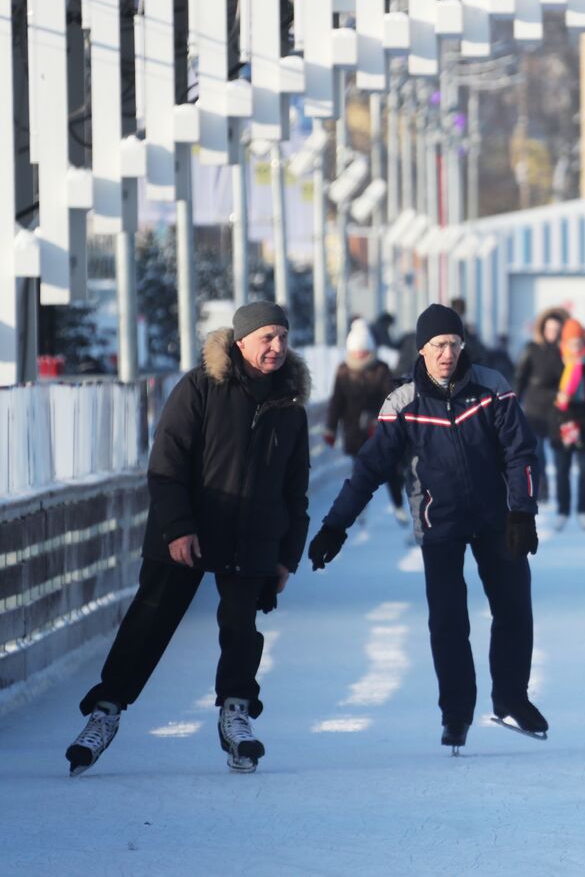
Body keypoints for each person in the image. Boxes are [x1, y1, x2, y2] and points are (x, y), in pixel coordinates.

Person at [66, 302, 310, 775]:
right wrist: (178, 528)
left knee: (241, 628)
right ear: (241, 342)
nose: (277, 346)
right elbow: (166, 465)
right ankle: (107, 710)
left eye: (283, 337)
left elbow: (294, 491)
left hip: (251, 538)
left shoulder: (290, 407)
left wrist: (288, 556)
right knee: (150, 621)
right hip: (188, 534)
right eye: (267, 337)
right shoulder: (200, 387)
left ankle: (235, 714)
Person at [307, 304, 546, 750]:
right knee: (448, 621)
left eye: (454, 344)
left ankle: (511, 696)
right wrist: (335, 527)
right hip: (440, 523)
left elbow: (521, 453)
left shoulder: (491, 388)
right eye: (438, 345)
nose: (447, 353)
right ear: (422, 349)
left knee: (514, 607)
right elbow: (368, 470)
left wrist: (522, 512)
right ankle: (456, 713)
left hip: (497, 519)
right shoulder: (403, 403)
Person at [326, 321, 406, 525]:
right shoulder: (343, 371)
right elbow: (336, 401)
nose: (360, 355)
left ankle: (398, 505)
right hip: (354, 432)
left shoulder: (381, 370)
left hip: (379, 431)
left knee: (391, 471)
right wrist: (330, 428)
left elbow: (391, 399)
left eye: (364, 351)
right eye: (357, 351)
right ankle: (359, 508)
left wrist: (379, 421)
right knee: (360, 473)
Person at [549, 317, 585, 531]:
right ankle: (563, 510)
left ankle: (584, 510)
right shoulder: (557, 360)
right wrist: (558, 397)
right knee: (562, 470)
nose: (576, 347)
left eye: (579, 342)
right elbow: (544, 387)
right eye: (571, 342)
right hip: (561, 420)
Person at [515, 308, 569, 506]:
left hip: (556, 408)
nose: (552, 333)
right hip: (534, 407)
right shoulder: (532, 348)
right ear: (543, 329)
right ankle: (541, 489)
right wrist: (513, 401)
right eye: (549, 329)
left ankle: (562, 494)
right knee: (537, 453)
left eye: (556, 329)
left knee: (559, 453)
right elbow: (520, 376)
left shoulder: (564, 351)